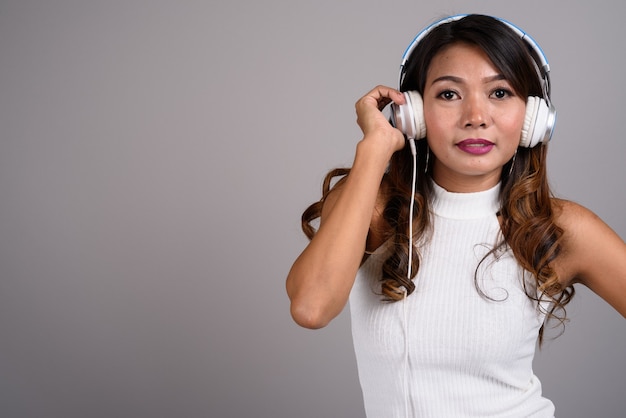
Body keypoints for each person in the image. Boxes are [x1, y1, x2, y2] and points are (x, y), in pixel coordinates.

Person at [285, 14, 626, 418]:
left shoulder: (561, 228)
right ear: (412, 111)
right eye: (449, 94)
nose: (476, 116)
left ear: (532, 118)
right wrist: (375, 147)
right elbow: (311, 307)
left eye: (500, 93)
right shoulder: (374, 207)